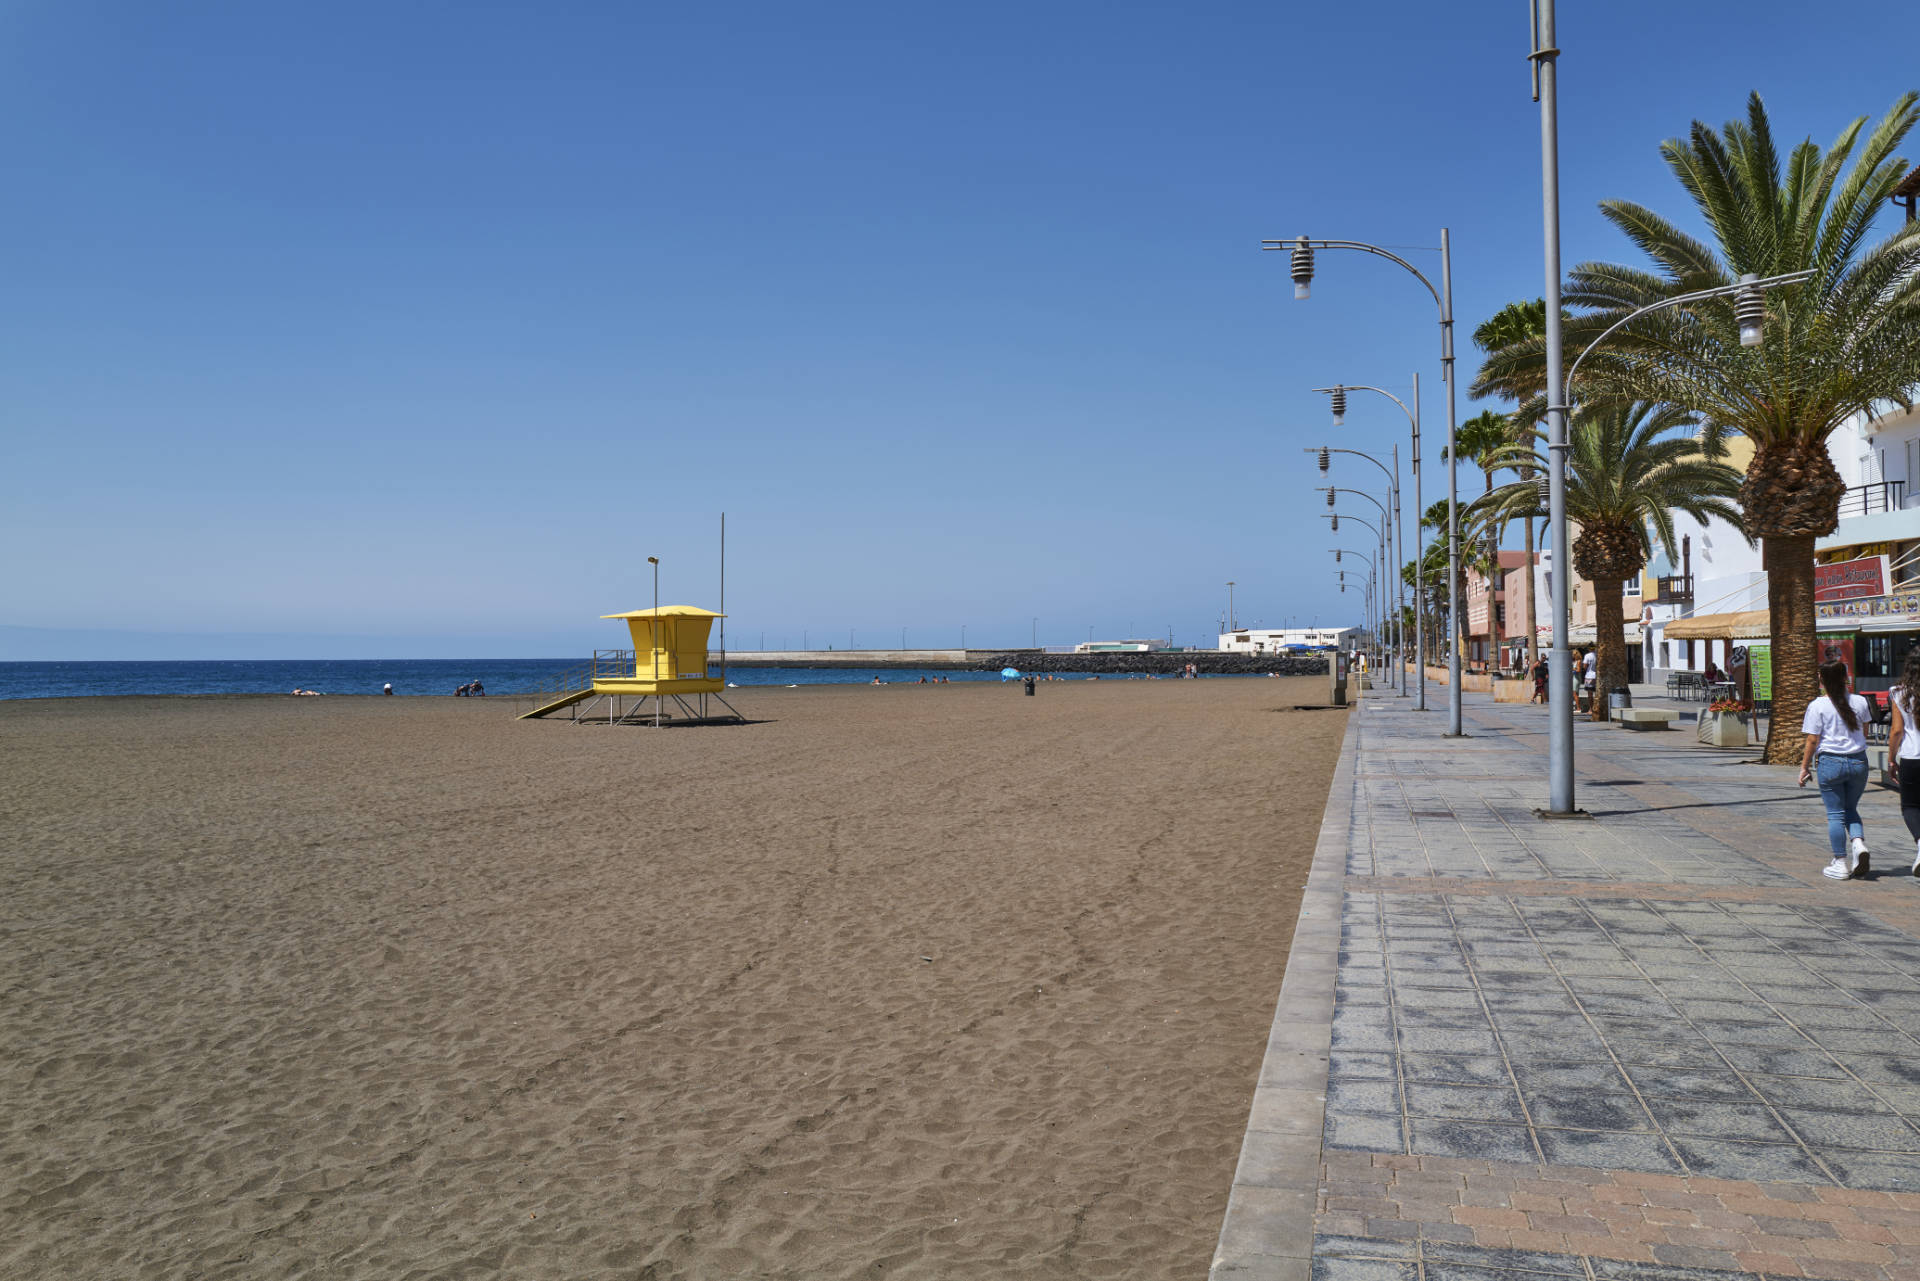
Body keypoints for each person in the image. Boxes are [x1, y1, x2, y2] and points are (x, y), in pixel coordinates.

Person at [1799, 660, 1873, 880]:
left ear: (1821, 680)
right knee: (1850, 808)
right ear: (1845, 677)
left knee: (1835, 815)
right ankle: (1859, 845)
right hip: (1859, 762)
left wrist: (1804, 767)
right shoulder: (1860, 701)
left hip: (1831, 762)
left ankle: (1840, 862)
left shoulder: (1817, 705)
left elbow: (1812, 740)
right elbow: (1865, 732)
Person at [1885, 652, 1920, 877]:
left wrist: (1891, 758)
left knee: (1910, 806)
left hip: (1911, 757)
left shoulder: (1899, 693)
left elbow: (1897, 730)